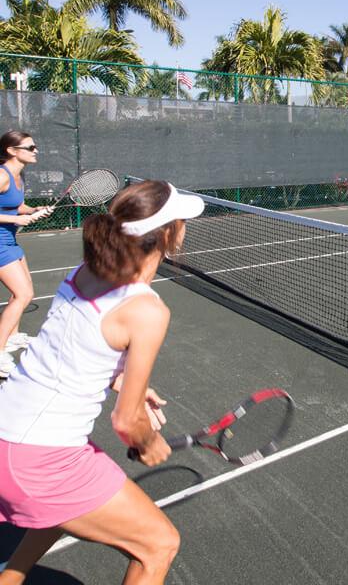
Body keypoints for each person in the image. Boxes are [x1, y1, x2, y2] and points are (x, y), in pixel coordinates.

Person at [0, 179, 204, 584]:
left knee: (58, 515)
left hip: (9, 432)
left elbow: (71, 347)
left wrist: (126, 381)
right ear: (169, 233)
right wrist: (148, 444)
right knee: (158, 545)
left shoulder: (83, 272)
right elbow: (127, 423)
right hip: (39, 457)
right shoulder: (146, 310)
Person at [0, 130, 53, 379]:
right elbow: (12, 213)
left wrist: (34, 209)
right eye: (30, 147)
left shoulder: (19, 176)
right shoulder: (1, 175)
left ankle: (11, 337)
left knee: (23, 291)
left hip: (9, 239)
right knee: (23, 294)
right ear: (12, 150)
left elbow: (15, 204)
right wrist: (20, 218)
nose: (36, 151)